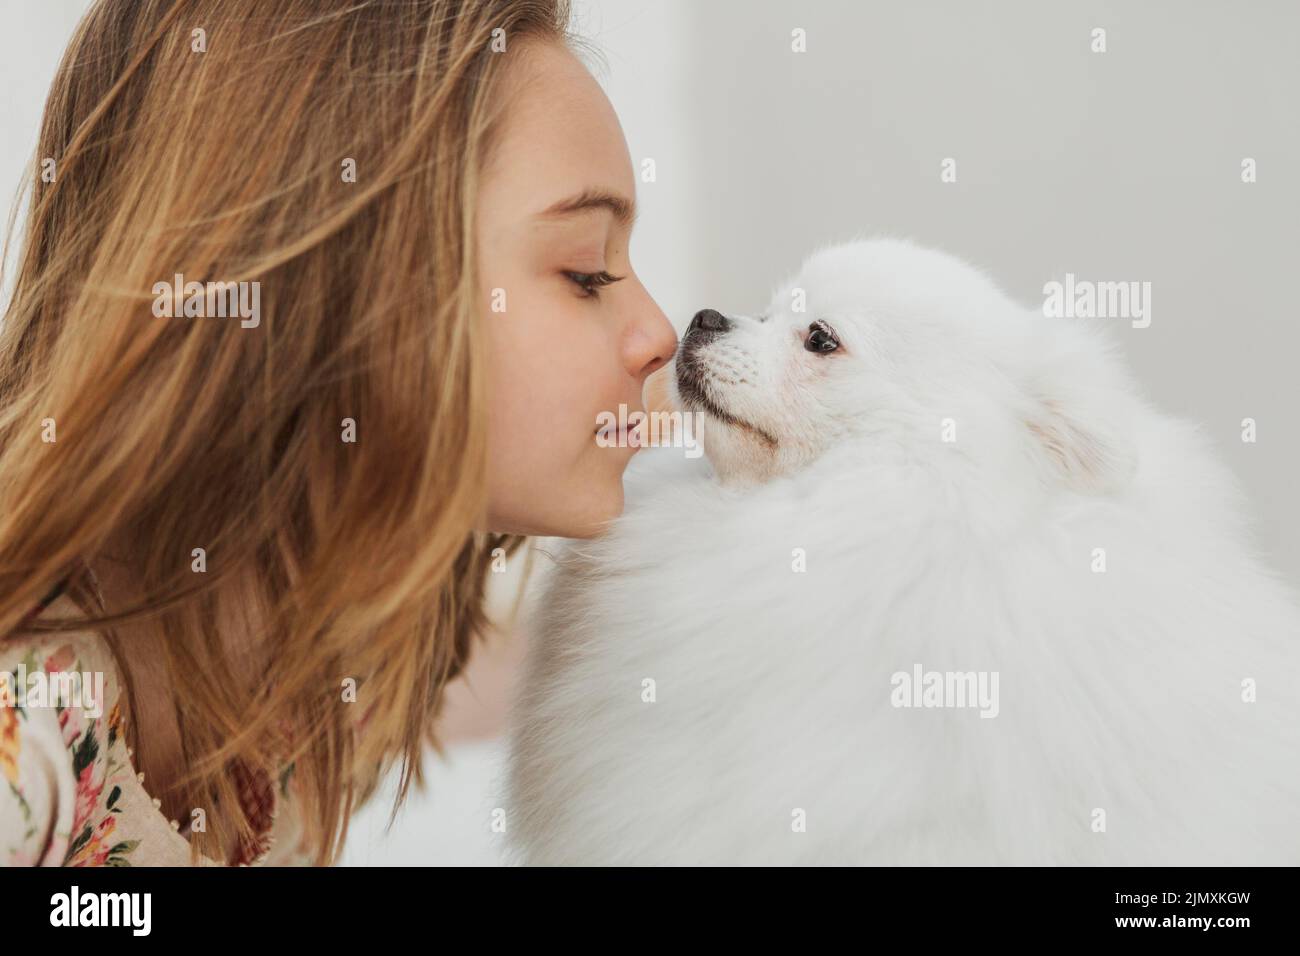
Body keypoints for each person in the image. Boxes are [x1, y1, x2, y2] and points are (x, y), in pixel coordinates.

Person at [0, 0, 677, 866]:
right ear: (337, 284)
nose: (659, 331)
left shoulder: (327, 662)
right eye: (587, 271)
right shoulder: (30, 752)